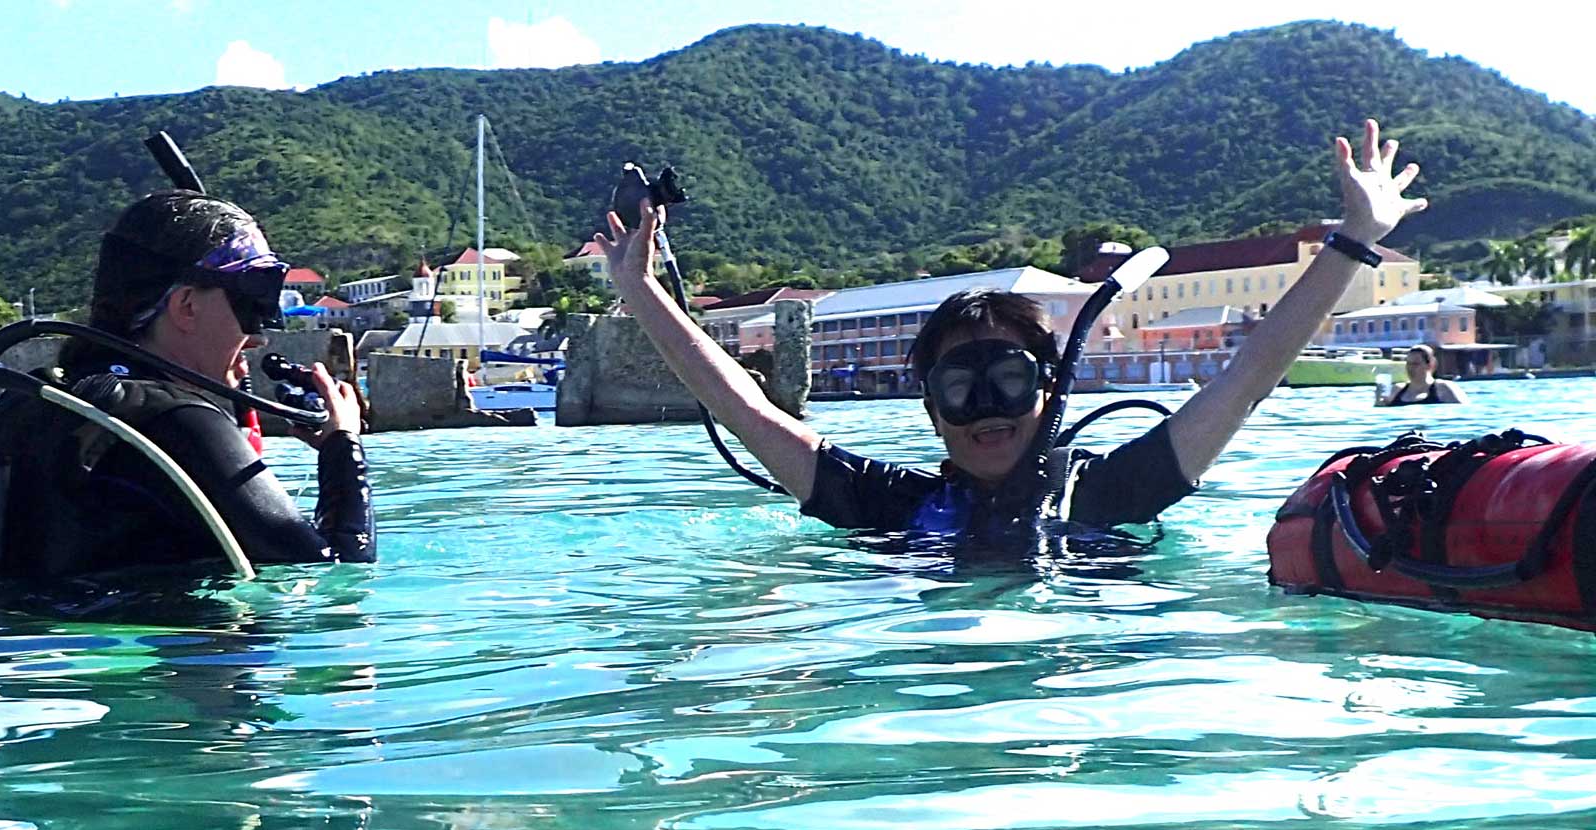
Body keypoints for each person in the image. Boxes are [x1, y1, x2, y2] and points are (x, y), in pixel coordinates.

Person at [598, 119, 1428, 539]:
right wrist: (640, 293)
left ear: (1049, 388)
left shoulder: (1109, 491)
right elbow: (745, 408)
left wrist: (1353, 243)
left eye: (1009, 377)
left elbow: (1247, 376)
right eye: (959, 386)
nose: (986, 407)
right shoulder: (892, 505)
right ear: (929, 409)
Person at [0, 190, 375, 578]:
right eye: (255, 297)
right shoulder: (177, 420)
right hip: (165, 636)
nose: (262, 333)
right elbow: (335, 570)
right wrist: (342, 447)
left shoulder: (41, 400)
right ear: (186, 305)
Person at [1377, 343, 1467, 406]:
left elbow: (1463, 412)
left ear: (1429, 365)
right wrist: (1379, 402)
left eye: (1415, 364)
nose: (1410, 368)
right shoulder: (1396, 390)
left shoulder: (1444, 388)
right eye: (1408, 363)